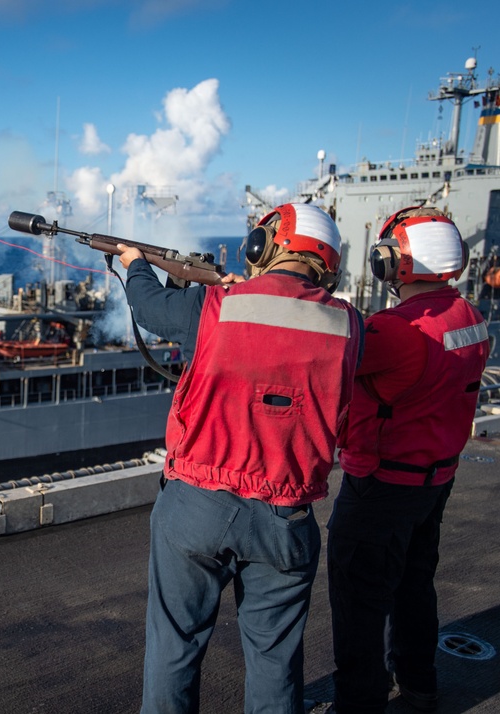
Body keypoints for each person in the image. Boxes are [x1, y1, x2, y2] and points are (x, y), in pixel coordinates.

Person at [118, 203, 363, 714]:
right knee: (276, 661)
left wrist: (135, 263)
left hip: (197, 507)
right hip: (287, 517)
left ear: (263, 246)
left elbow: (147, 305)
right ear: (330, 264)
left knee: (174, 646)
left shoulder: (214, 305)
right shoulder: (351, 327)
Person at [327, 207, 489, 713]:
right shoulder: (472, 318)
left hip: (381, 484)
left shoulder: (395, 330)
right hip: (435, 478)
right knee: (415, 585)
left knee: (358, 599)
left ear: (393, 262)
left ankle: (360, 702)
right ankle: (419, 684)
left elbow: (328, 358)